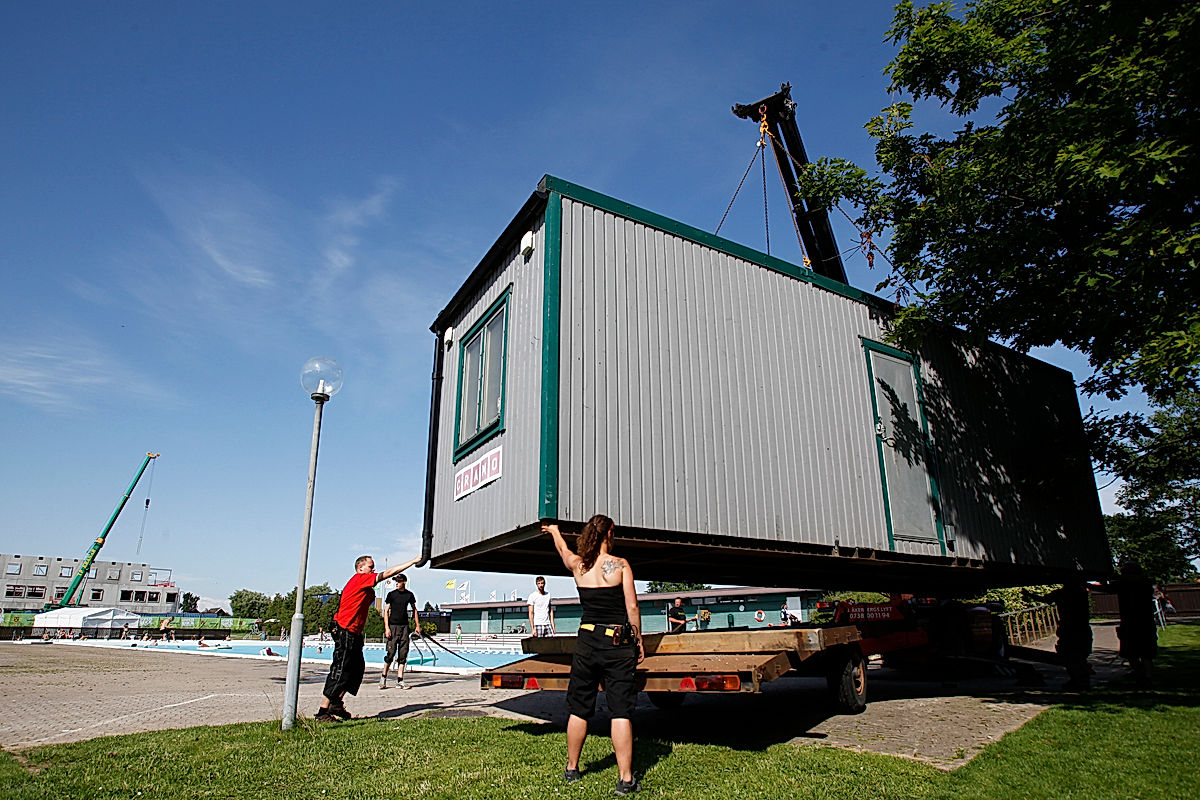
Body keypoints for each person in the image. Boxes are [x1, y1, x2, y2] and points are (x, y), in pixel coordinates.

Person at [544, 516, 644, 796]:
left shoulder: (580, 566)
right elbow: (632, 606)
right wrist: (638, 638)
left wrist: (554, 531)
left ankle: (572, 768)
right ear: (610, 532)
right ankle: (625, 780)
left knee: (580, 706)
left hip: (586, 639)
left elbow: (563, 552)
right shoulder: (621, 565)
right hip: (617, 641)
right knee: (620, 710)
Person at [316, 553, 421, 722]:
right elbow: (388, 573)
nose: (374, 570)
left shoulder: (367, 588)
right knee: (340, 669)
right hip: (344, 629)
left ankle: (336, 703)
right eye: (371, 567)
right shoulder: (359, 579)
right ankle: (322, 712)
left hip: (354, 633)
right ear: (360, 568)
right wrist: (413, 561)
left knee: (356, 670)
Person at [1114, 563, 1158, 686]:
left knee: (1132, 653)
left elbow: (1109, 588)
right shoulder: (1145, 584)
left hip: (1131, 623)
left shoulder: (1125, 584)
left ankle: (1141, 675)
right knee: (1146, 654)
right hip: (1146, 623)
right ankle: (1146, 677)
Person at [1047, 581, 1092, 690]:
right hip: (1081, 629)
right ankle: (1081, 680)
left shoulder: (1063, 594)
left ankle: (1078, 679)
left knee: (1070, 656)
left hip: (1069, 629)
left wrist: (1028, 595)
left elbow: (1046, 599)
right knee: (1079, 655)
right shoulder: (1081, 593)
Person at [380, 574, 419, 690]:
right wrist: (387, 628)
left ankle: (400, 680)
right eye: (396, 581)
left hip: (404, 627)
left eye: (399, 581)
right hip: (393, 626)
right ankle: (383, 677)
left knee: (403, 654)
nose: (396, 583)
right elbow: (386, 611)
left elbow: (414, 609)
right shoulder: (391, 595)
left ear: (404, 582)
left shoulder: (409, 595)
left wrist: (417, 625)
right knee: (390, 654)